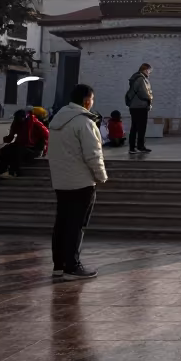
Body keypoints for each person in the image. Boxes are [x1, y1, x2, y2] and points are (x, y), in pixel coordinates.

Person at [48, 84, 107, 280]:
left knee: (62, 222)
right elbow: (93, 154)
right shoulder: (84, 122)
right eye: (92, 98)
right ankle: (72, 266)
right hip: (81, 182)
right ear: (86, 100)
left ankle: (59, 264)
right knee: (77, 224)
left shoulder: (57, 119)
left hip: (61, 180)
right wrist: (101, 176)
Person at [0, 108, 49, 178]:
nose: (20, 121)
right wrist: (7, 139)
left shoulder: (35, 123)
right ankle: (1, 170)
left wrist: (44, 150)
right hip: (22, 146)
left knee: (18, 150)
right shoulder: (16, 123)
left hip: (34, 149)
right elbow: (11, 136)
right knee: (3, 150)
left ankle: (13, 172)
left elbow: (47, 135)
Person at [125, 63, 153, 155]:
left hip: (134, 106)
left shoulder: (136, 78)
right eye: (149, 71)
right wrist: (149, 99)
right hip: (140, 106)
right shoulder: (141, 79)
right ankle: (139, 146)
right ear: (145, 70)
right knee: (141, 127)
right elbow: (144, 93)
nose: (150, 73)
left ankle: (133, 147)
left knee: (135, 127)